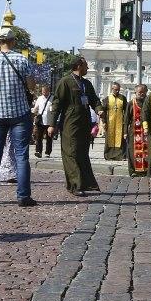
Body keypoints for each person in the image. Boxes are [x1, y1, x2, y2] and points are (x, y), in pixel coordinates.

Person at [0, 28, 35, 207]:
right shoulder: (21, 59)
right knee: (21, 156)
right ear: (13, 41)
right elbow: (32, 86)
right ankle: (23, 196)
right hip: (20, 113)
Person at [47, 56, 101, 196]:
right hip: (70, 123)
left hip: (84, 123)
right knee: (71, 153)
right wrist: (52, 124)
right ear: (78, 66)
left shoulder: (87, 84)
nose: (88, 68)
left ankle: (86, 184)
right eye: (85, 65)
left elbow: (94, 100)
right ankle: (75, 185)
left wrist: (99, 109)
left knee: (82, 153)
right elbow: (56, 103)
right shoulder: (65, 81)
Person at [126, 84, 150, 175]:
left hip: (146, 131)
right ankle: (134, 170)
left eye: (143, 92)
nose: (142, 94)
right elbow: (126, 118)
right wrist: (125, 132)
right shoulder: (131, 103)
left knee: (146, 150)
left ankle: (146, 169)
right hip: (134, 131)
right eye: (139, 92)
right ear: (135, 92)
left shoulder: (148, 102)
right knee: (133, 151)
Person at [100, 82, 127, 160]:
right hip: (110, 122)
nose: (117, 91)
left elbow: (126, 111)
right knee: (110, 138)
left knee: (120, 139)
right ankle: (109, 155)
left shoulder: (123, 98)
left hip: (120, 122)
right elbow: (103, 111)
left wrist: (125, 122)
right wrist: (104, 122)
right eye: (115, 90)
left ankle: (120, 155)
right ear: (112, 89)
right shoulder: (107, 99)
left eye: (118, 90)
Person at [31, 85, 53, 158]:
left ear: (48, 91)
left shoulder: (52, 98)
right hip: (41, 121)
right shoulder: (40, 98)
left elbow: (55, 109)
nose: (43, 93)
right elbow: (36, 108)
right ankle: (38, 151)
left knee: (49, 138)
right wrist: (33, 112)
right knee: (39, 137)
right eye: (42, 91)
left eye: (45, 91)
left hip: (50, 121)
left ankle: (48, 152)